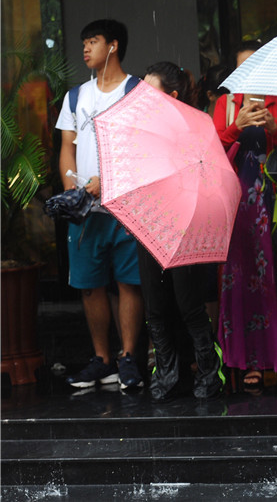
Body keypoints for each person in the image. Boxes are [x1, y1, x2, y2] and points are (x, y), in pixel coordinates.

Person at [213, 42, 277, 392]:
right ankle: (249, 363)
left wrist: (274, 129)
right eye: (246, 68)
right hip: (238, 202)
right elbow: (208, 151)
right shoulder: (226, 104)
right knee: (243, 279)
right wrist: (234, 127)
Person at [56, 19, 145, 390]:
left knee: (128, 282)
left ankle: (128, 357)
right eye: (83, 43)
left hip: (126, 205)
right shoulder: (76, 96)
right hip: (85, 210)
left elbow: (143, 149)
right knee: (90, 285)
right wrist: (72, 189)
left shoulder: (135, 91)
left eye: (92, 41)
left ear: (113, 46)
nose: (85, 49)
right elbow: (67, 148)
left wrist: (106, 183)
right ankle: (102, 360)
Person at [136, 61, 224, 401]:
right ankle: (168, 373)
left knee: (189, 304)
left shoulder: (194, 128)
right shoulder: (139, 129)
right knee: (154, 305)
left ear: (171, 95)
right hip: (147, 223)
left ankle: (207, 371)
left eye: (150, 88)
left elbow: (205, 179)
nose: (142, 95)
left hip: (182, 224)